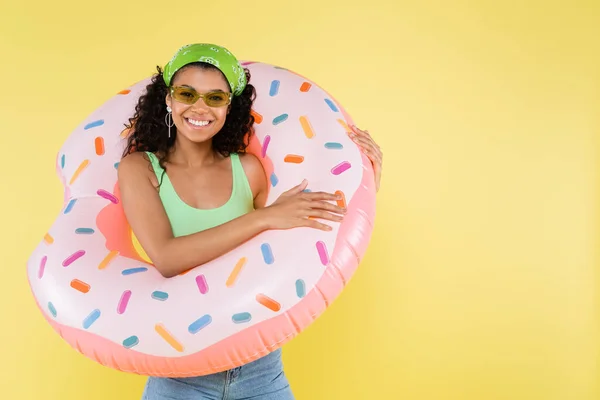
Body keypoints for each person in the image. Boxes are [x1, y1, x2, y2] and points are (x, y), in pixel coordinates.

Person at [117, 43, 383, 400]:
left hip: (261, 369)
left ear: (229, 106)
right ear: (168, 99)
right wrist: (265, 218)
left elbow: (308, 238)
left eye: (215, 97)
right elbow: (166, 257)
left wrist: (366, 180)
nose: (199, 107)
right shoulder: (140, 169)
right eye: (187, 93)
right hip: (180, 376)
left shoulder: (249, 170)